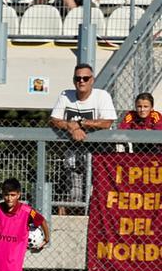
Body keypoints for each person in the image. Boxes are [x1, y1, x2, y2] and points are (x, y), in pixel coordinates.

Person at [48, 63, 117, 211]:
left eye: (86, 78)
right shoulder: (66, 95)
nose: (82, 81)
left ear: (92, 80)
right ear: (73, 80)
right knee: (75, 194)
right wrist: (70, 126)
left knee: (99, 193)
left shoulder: (102, 96)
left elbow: (107, 122)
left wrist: (79, 124)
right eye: (78, 78)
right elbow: (54, 119)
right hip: (73, 153)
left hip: (98, 154)